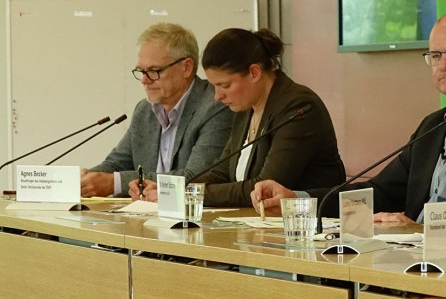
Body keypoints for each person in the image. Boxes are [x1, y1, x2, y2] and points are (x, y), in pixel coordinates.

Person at [251, 10, 446, 220]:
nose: (443, 64)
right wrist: (297, 200)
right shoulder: (432, 126)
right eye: (434, 55)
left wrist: (420, 228)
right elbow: (378, 192)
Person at [135, 28, 344, 207]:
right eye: (214, 86)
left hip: (310, 229)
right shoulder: (247, 107)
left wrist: (187, 195)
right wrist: (172, 189)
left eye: (224, 86)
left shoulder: (297, 107)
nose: (217, 96)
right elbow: (221, 171)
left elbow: (263, 187)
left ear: (254, 73)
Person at [80, 23, 232, 197]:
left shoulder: (215, 106)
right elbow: (117, 164)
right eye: (140, 71)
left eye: (153, 71)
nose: (144, 80)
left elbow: (196, 178)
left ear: (186, 67)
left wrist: (114, 183)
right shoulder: (144, 110)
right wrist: (88, 178)